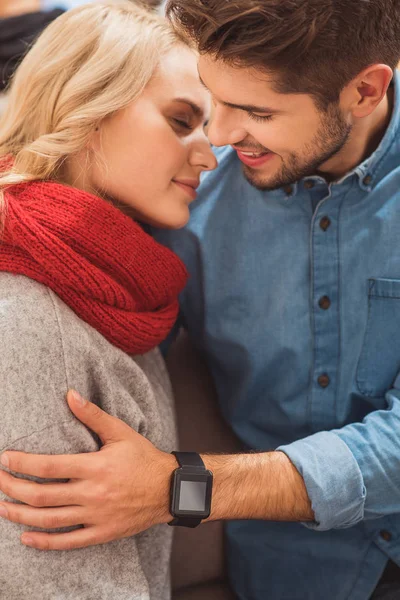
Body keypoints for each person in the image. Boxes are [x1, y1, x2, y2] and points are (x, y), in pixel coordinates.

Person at [1, 0, 400, 598]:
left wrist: (182, 486)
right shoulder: (183, 202)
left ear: (365, 91)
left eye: (255, 111)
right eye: (208, 105)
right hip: (285, 574)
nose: (218, 141)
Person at [0, 1, 215, 599]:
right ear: (88, 111)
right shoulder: (29, 320)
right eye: (180, 121)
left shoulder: (114, 291)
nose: (209, 154)